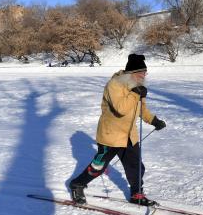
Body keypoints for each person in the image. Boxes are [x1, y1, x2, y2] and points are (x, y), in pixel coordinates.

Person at [69, 54, 166, 206]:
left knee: (136, 167)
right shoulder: (114, 85)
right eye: (141, 72)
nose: (144, 75)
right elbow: (121, 109)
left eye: (145, 72)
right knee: (98, 167)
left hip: (129, 136)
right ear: (131, 73)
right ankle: (78, 184)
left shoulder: (137, 88)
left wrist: (154, 121)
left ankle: (136, 194)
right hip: (111, 135)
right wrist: (135, 94)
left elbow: (141, 109)